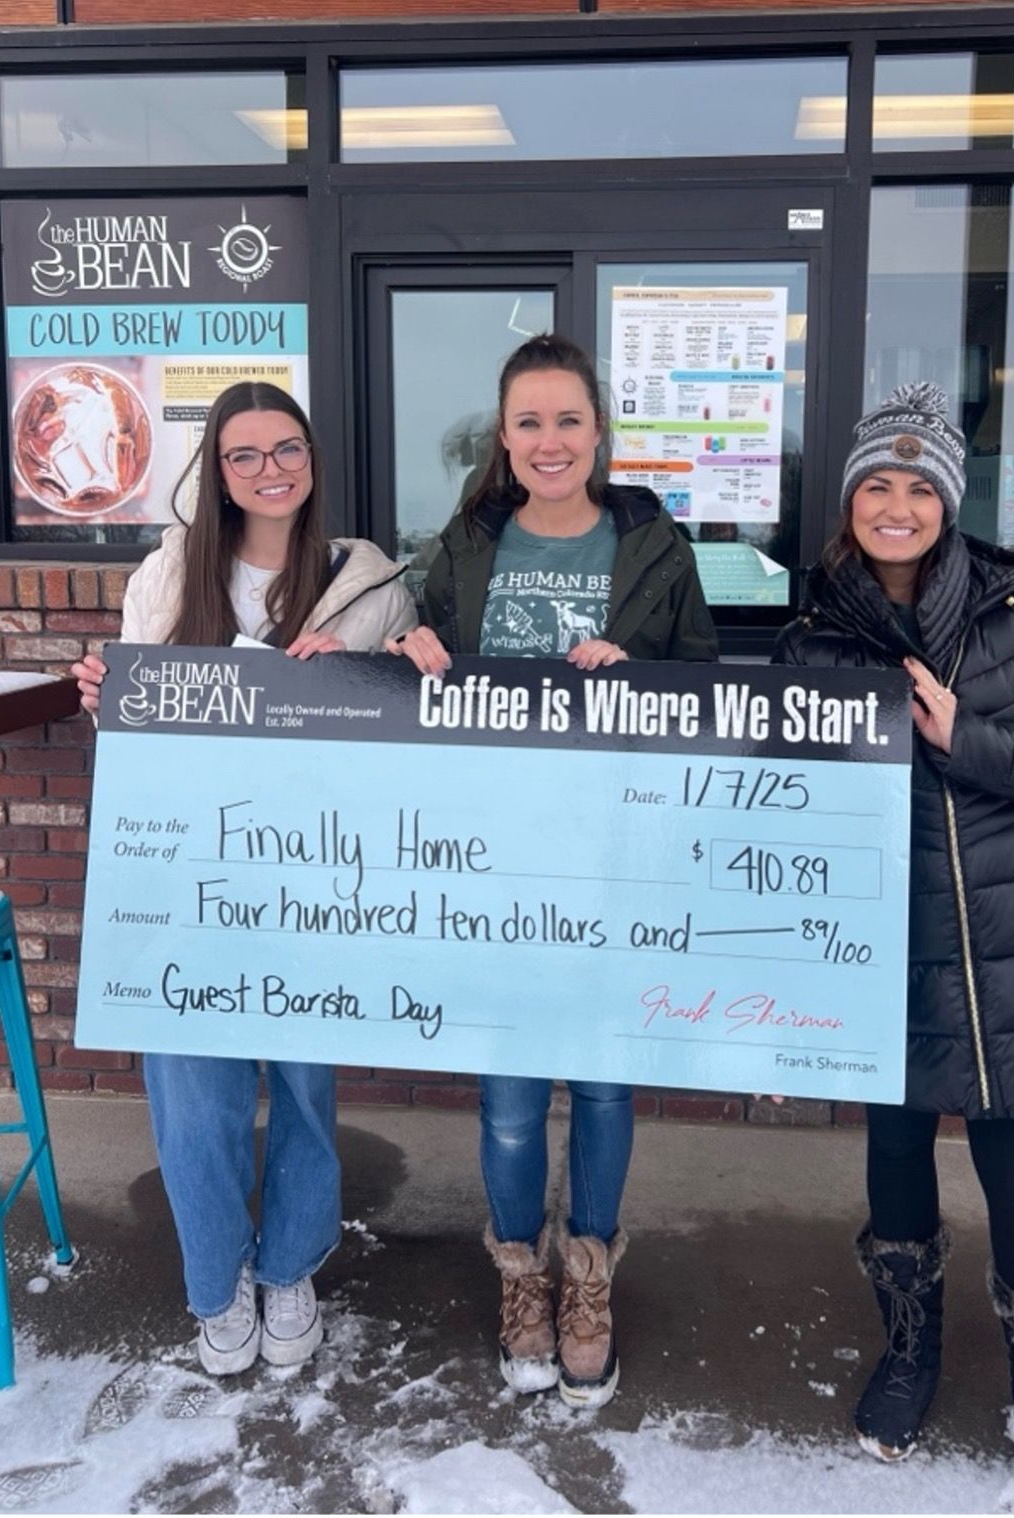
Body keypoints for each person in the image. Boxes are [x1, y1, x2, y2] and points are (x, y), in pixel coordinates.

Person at [773, 383, 1014, 1511]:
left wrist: (963, 738)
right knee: (893, 1158)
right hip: (878, 944)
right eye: (874, 484)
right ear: (847, 502)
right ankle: (909, 1349)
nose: (893, 505)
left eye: (916, 488)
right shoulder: (812, 631)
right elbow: (777, 790)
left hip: (1007, 940)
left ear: (946, 505)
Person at [391, 333, 717, 1408]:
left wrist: (644, 679)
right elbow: (417, 693)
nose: (547, 441)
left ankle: (588, 1280)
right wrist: (417, 656)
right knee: (510, 1100)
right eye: (526, 422)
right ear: (503, 436)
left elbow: (704, 698)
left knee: (608, 1085)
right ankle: (520, 1282)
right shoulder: (465, 548)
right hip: (497, 866)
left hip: (615, 865)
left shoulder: (656, 552)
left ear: (596, 432)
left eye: (566, 420)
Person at [71, 381, 418, 1375]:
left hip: (314, 877)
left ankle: (290, 1264)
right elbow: (138, 732)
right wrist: (108, 699)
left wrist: (395, 670)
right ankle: (215, 1281)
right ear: (215, 472)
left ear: (312, 458)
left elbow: (401, 736)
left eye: (287, 449)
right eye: (245, 455)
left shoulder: (367, 584)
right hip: (188, 875)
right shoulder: (168, 576)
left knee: (305, 1090)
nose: (270, 470)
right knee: (193, 1094)